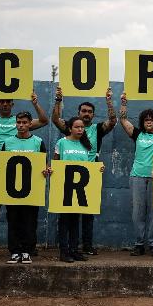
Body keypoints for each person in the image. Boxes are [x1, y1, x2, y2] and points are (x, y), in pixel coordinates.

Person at [0, 89, 48, 259]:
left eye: (8, 101)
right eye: (1, 101)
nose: (4, 104)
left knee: (22, 213)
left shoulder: (20, 120)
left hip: (21, 173)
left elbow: (43, 120)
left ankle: (26, 248)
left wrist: (35, 102)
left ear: (12, 104)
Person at [51, 86, 116, 256]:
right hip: (68, 177)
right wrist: (58, 100)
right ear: (78, 113)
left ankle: (85, 246)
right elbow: (56, 120)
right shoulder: (69, 130)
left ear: (93, 115)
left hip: (90, 176)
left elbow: (113, 121)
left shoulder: (97, 129)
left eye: (89, 112)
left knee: (87, 213)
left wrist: (109, 101)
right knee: (67, 217)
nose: (86, 114)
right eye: (83, 111)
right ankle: (66, 249)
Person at [0, 111, 48, 265]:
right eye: (18, 122)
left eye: (24, 122)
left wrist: (46, 170)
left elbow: (45, 164)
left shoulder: (38, 142)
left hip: (32, 190)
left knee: (30, 221)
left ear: (30, 124)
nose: (21, 125)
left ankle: (27, 251)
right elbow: (1, 165)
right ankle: (15, 251)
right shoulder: (7, 142)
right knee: (13, 220)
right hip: (11, 191)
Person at [48, 116, 105, 263]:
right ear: (70, 128)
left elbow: (89, 165)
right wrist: (50, 170)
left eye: (82, 127)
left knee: (75, 220)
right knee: (64, 220)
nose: (80, 129)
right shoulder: (62, 143)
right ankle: (64, 251)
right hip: (64, 186)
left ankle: (74, 250)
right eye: (77, 127)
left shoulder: (86, 145)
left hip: (80, 188)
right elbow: (55, 163)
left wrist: (99, 169)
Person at [119, 93, 153, 257]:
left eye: (152, 119)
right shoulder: (137, 134)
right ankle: (139, 244)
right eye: (146, 119)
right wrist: (124, 104)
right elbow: (123, 121)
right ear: (142, 122)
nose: (149, 121)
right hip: (137, 176)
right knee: (137, 212)